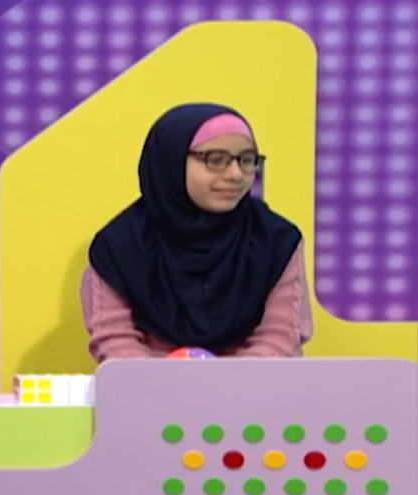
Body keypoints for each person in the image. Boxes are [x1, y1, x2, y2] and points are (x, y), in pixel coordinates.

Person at [81, 103, 312, 361]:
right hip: (148, 383)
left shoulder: (277, 240)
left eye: (246, 160)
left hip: (254, 383)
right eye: (216, 160)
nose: (236, 174)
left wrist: (227, 381)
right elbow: (114, 338)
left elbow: (281, 336)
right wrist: (162, 381)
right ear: (172, 161)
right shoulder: (119, 245)